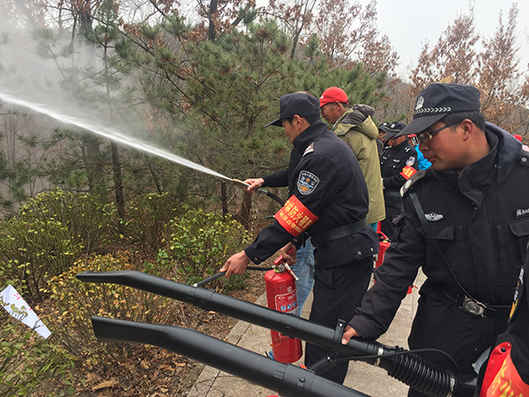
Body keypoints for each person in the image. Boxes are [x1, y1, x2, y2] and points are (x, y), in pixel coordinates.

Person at [342, 83, 529, 397]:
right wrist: (366, 321)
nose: (422, 145)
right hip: (440, 340)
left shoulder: (523, 179)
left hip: (513, 343)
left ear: (466, 128)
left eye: (430, 135)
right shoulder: (423, 192)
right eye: (419, 136)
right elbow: (399, 266)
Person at [221, 92, 377, 384]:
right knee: (321, 330)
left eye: (285, 125)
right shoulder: (319, 147)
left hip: (346, 256)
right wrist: (296, 242)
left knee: (329, 336)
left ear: (298, 120)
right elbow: (316, 206)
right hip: (339, 251)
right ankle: (315, 386)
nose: (285, 133)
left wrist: (248, 254)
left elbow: (293, 215)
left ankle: (320, 389)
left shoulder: (320, 155)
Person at [243, 176, 315, 318]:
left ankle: (288, 334)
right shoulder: (313, 156)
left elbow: (306, 205)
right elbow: (293, 172)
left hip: (309, 233)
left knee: (294, 298)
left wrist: (247, 255)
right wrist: (264, 181)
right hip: (307, 233)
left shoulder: (320, 157)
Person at [319, 87, 385, 232]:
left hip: (355, 211)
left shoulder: (345, 133)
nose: (322, 114)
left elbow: (337, 174)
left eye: (324, 108)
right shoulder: (364, 126)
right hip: (371, 205)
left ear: (337, 106)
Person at [378, 121, 418, 239]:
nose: (391, 139)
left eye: (394, 136)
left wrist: (383, 182)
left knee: (392, 233)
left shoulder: (410, 153)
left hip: (396, 199)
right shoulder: (387, 151)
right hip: (381, 197)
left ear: (403, 136)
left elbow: (405, 177)